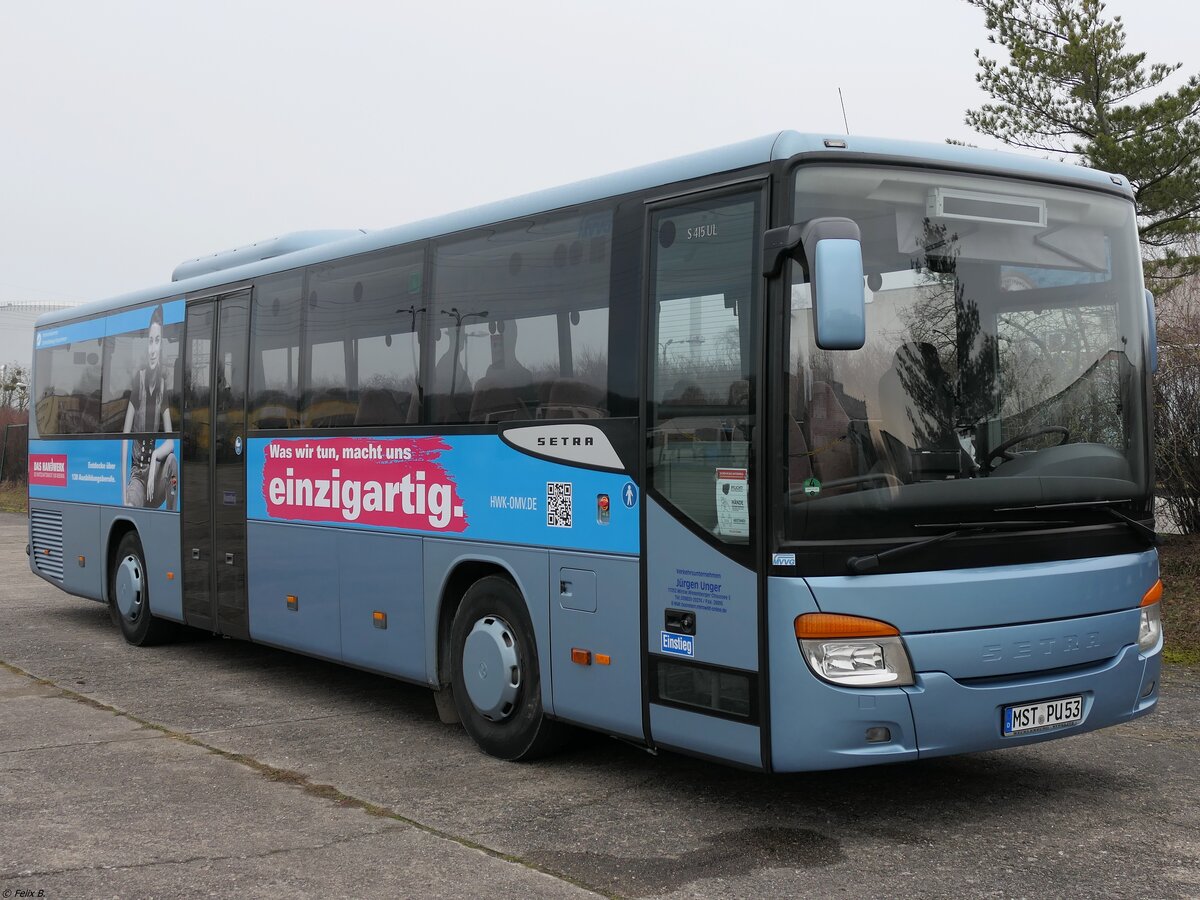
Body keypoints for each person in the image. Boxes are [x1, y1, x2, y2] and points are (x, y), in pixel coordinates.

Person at [122, 305, 177, 509]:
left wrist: (155, 457)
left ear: (161, 345)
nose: (153, 349)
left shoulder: (162, 386)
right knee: (130, 506)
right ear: (147, 345)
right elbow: (124, 438)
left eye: (157, 341)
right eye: (150, 342)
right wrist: (123, 495)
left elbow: (171, 442)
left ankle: (171, 525)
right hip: (137, 476)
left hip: (153, 477)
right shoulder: (139, 381)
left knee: (172, 461)